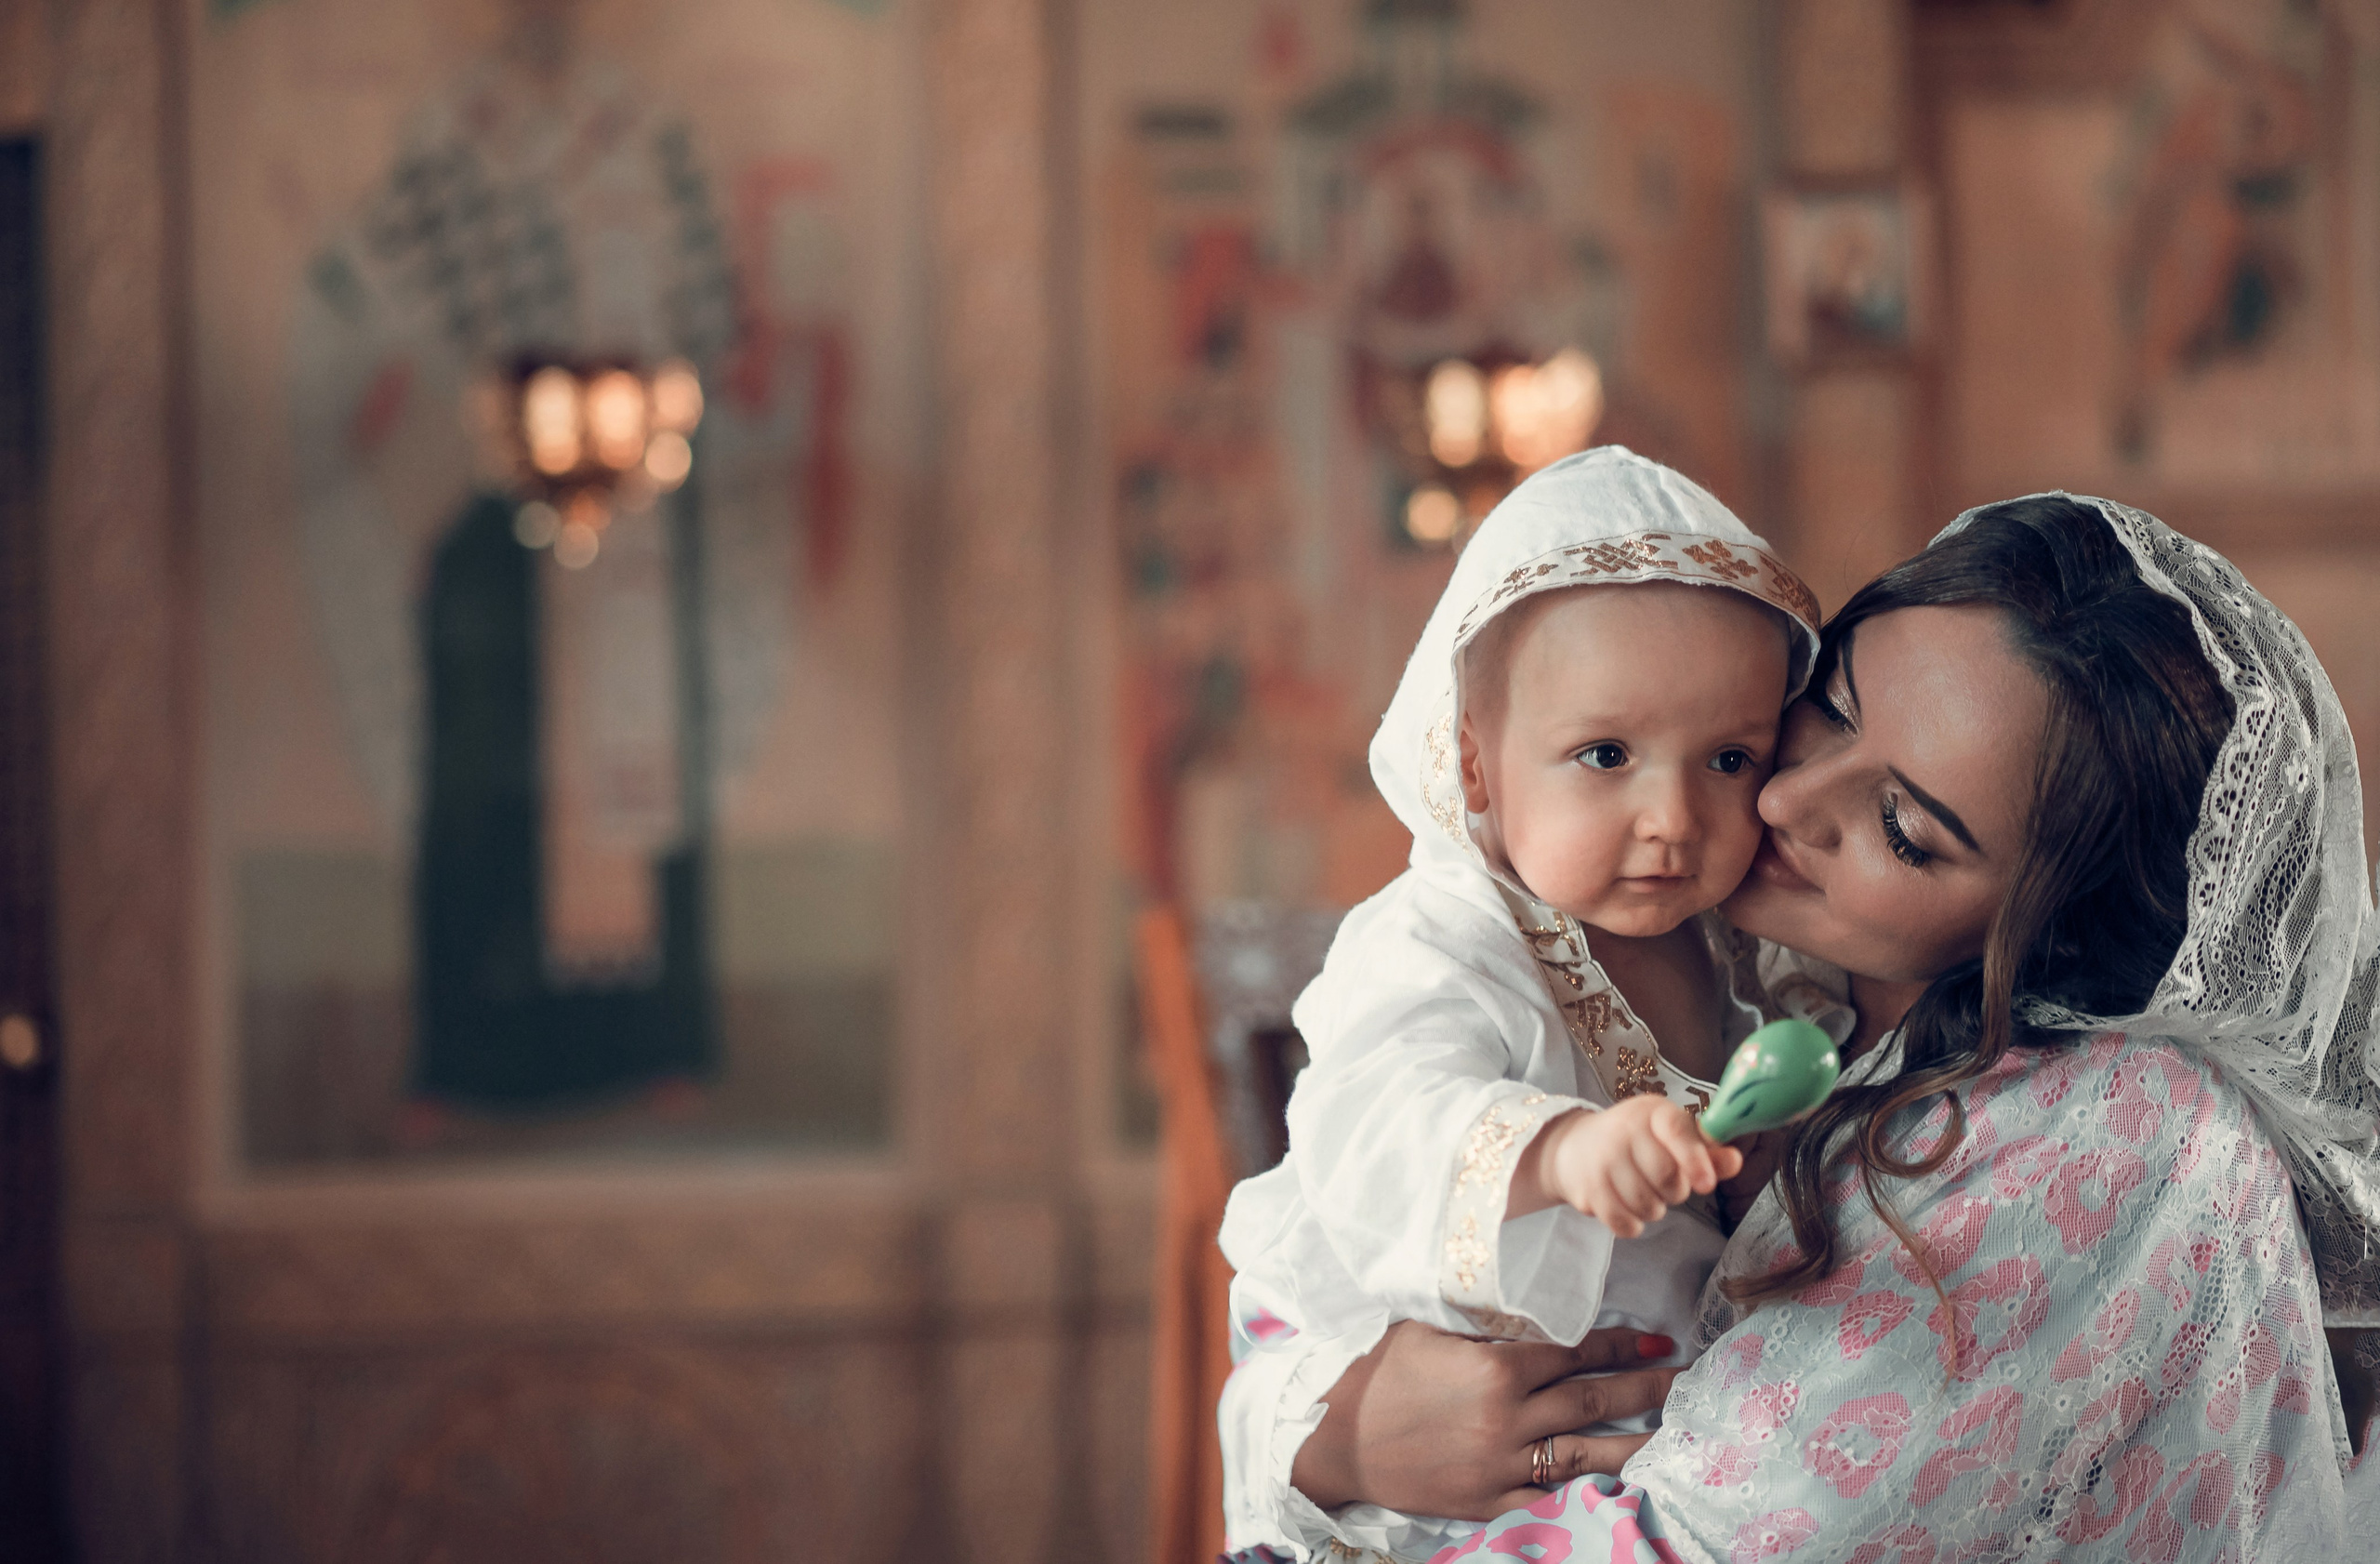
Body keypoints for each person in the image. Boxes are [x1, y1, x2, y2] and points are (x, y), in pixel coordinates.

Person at [1223, 494, 2380, 1562]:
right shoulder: (1740, 978)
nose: (1777, 798)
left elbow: (1700, 1542)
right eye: (1829, 707)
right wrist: (1331, 1441)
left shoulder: (2111, 1129)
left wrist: (1337, 1447)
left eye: (1899, 825)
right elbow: (1343, 1211)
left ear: (2052, 933)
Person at [1217, 447, 1850, 1562]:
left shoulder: (1737, 949)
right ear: (1474, 766)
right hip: (1434, 1419)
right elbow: (1375, 1113)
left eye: (1726, 757)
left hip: (1631, 1430)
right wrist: (1557, 1150)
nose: (1672, 816)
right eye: (1604, 753)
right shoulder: (1447, 937)